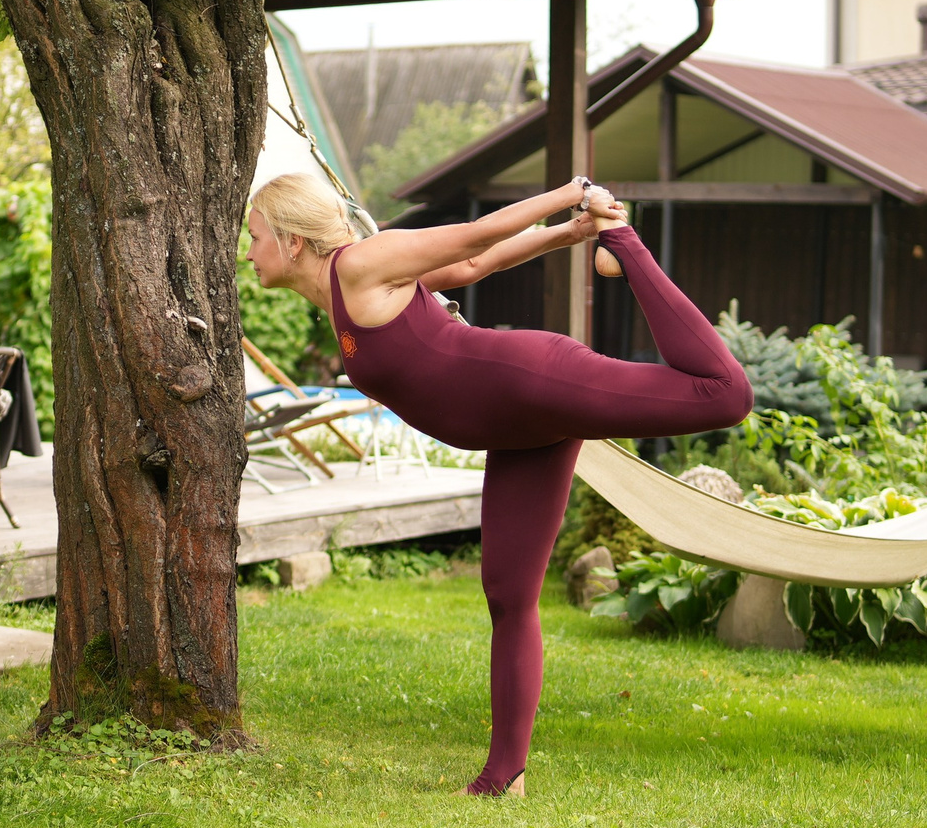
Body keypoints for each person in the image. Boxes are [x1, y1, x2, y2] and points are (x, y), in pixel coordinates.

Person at [245, 172, 753, 795]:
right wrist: (568, 231)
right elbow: (475, 265)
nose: (249, 252)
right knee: (509, 594)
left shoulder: (361, 263)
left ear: (292, 241)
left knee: (724, 395)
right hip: (516, 432)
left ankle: (626, 242)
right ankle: (503, 773)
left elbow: (473, 236)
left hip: (534, 382)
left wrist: (575, 196)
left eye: (256, 236)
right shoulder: (346, 293)